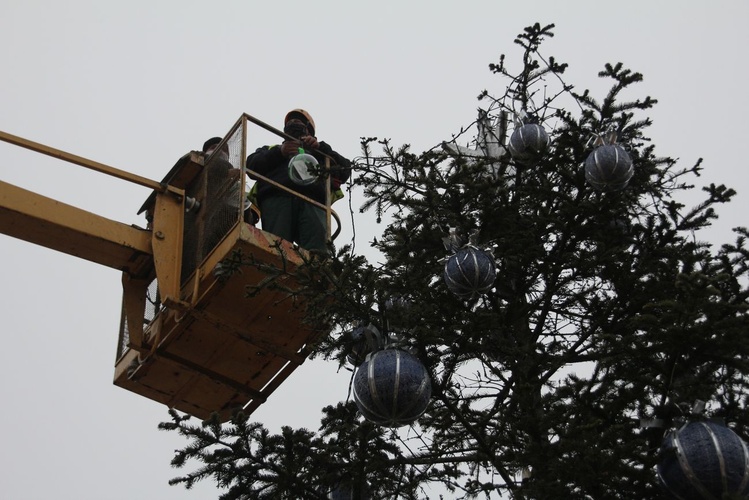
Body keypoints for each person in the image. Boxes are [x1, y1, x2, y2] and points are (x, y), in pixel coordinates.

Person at [246, 109, 351, 253]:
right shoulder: (272, 150)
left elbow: (345, 169)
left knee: (316, 255)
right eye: (291, 122)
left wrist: (320, 148)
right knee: (277, 250)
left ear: (310, 131)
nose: (293, 123)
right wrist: (280, 152)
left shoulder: (321, 155)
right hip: (277, 199)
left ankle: (316, 273)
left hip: (312, 202)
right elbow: (251, 165)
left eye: (299, 122)